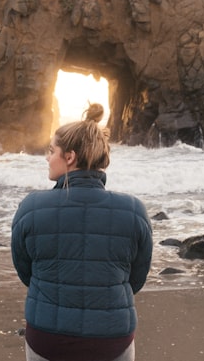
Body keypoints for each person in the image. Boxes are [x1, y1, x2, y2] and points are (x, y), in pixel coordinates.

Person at [11, 103, 154, 361]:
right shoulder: (134, 210)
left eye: (51, 150)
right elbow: (136, 278)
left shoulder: (31, 207)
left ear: (70, 157)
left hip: (48, 340)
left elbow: (26, 272)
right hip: (111, 341)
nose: (47, 157)